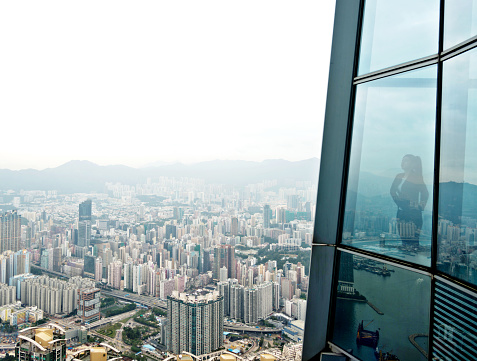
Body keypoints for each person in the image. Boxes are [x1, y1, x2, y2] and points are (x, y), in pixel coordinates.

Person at [390, 154, 429, 246]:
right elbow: (392, 191)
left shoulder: (416, 177)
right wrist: (400, 202)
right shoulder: (399, 176)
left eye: (406, 161)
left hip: (413, 214)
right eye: (402, 160)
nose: (403, 163)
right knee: (404, 240)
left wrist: (420, 206)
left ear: (412, 164)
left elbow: (425, 193)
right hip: (401, 212)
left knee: (413, 242)